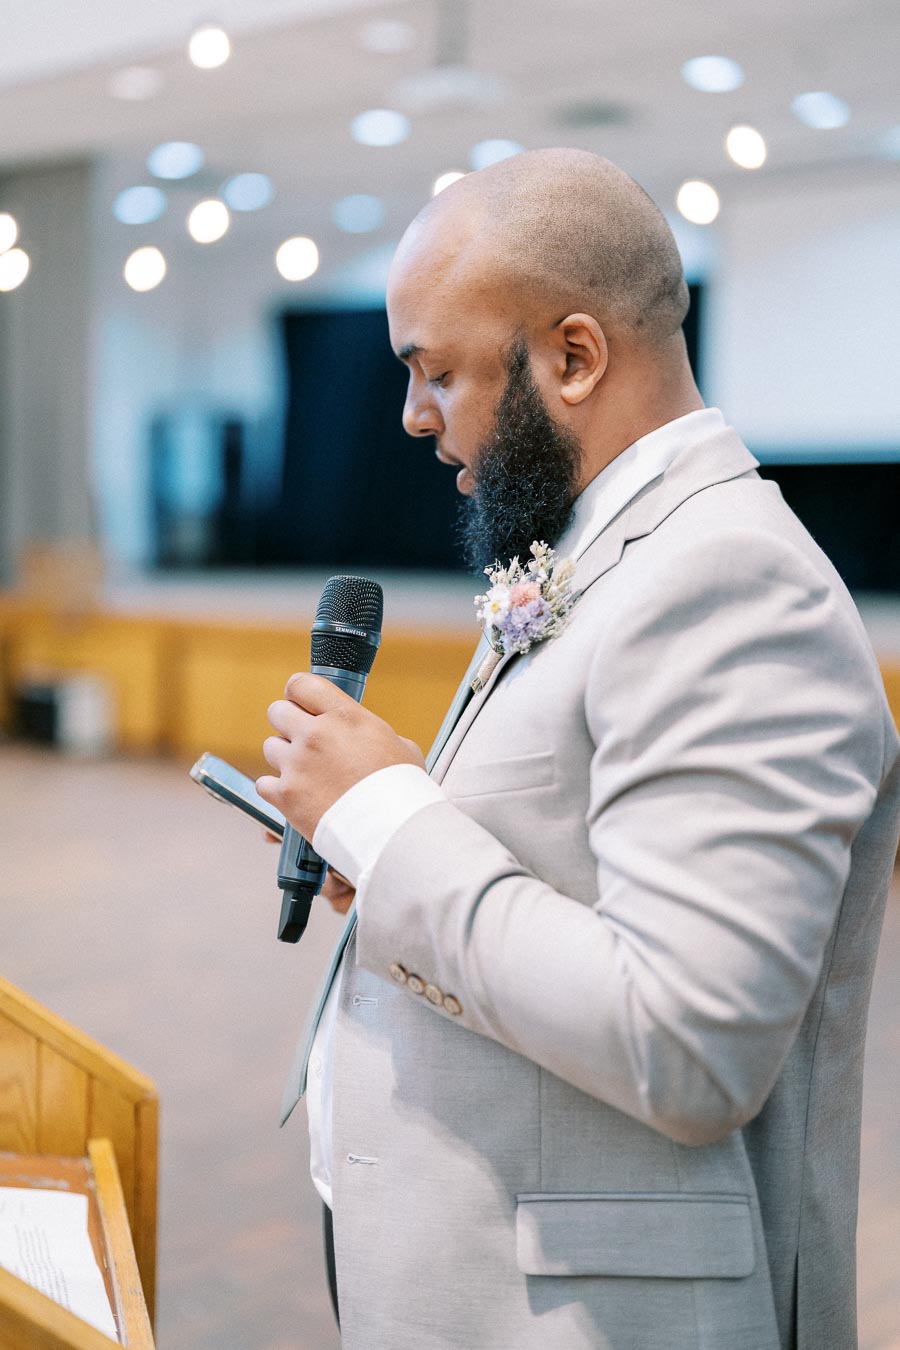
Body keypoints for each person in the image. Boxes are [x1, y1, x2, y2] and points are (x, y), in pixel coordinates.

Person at [256, 149, 900, 1350]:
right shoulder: (609, 551)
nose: (410, 414)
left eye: (436, 369)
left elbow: (688, 1039)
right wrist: (385, 850)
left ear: (573, 355)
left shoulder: (729, 579)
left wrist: (397, 826)